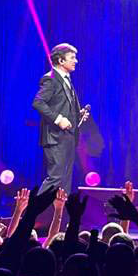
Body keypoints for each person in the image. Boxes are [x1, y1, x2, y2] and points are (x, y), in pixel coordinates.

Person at [32, 43, 88, 195]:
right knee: (55, 178)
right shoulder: (51, 79)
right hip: (55, 137)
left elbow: (61, 105)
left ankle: (60, 210)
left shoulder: (66, 79)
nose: (76, 61)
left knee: (65, 181)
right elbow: (38, 103)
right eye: (72, 58)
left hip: (68, 137)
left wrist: (78, 115)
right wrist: (58, 119)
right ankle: (34, 209)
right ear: (61, 61)